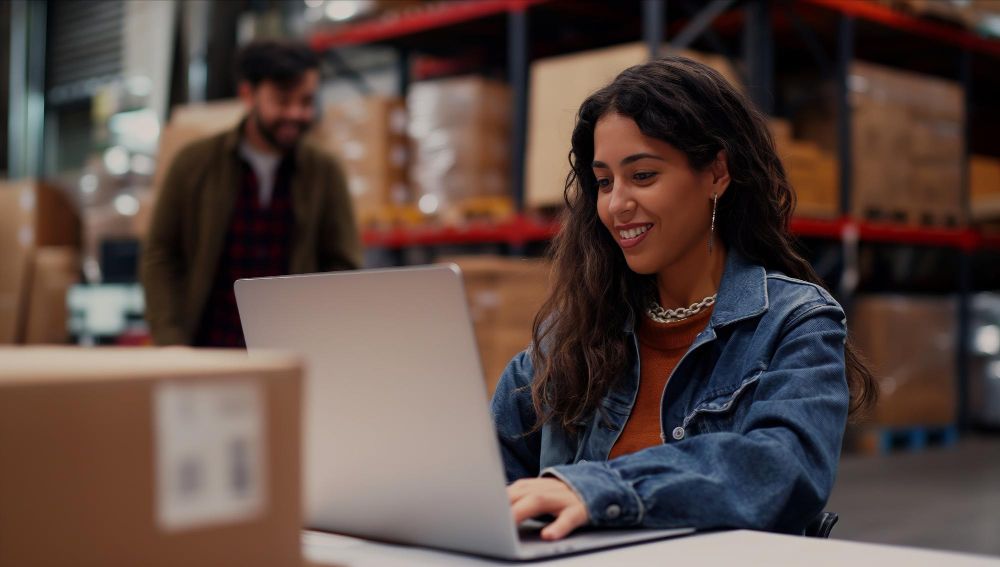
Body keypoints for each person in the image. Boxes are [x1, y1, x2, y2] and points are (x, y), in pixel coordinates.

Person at [491, 56, 878, 541]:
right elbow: (486, 481)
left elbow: (781, 469)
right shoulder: (566, 339)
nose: (616, 204)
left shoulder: (794, 325)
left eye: (644, 175)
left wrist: (599, 488)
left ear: (717, 172)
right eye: (605, 181)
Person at [142, 40, 361, 347]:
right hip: (205, 350)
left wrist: (323, 337)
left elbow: (343, 265)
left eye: (306, 101)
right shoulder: (194, 164)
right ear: (248, 95)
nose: (296, 113)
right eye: (283, 101)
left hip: (289, 354)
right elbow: (161, 256)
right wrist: (170, 340)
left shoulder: (325, 172)